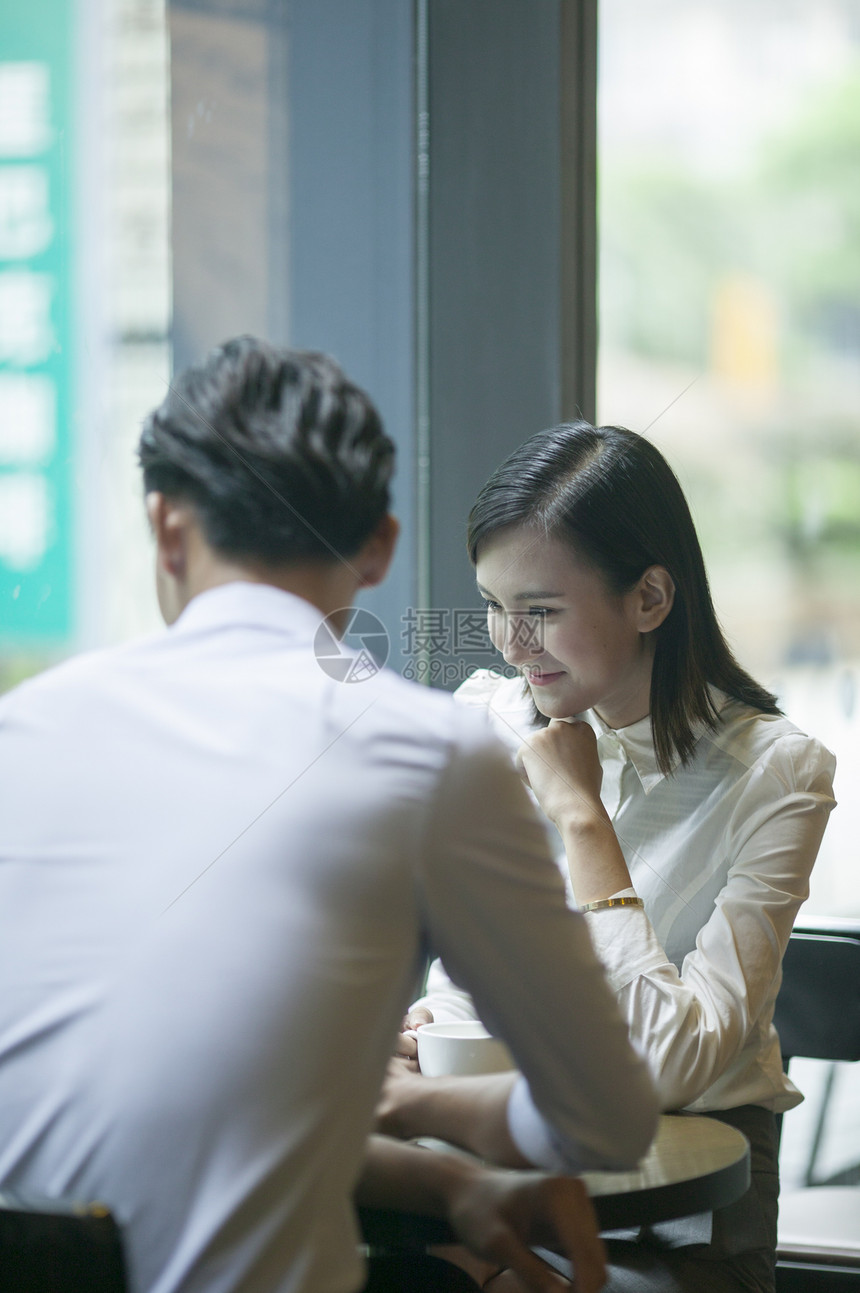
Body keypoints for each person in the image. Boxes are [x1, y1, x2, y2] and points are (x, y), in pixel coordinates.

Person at [0, 345, 659, 1293]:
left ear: (167, 529)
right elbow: (608, 1117)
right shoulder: (431, 752)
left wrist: (428, 1176)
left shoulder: (27, 728)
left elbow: (160, 1111)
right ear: (382, 546)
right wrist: (456, 1117)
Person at [403, 420, 837, 1293]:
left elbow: (677, 1064)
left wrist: (582, 817)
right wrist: (431, 1026)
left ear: (649, 598)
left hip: (692, 1202)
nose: (508, 643)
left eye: (541, 612)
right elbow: (466, 962)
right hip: (505, 1148)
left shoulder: (778, 771)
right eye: (493, 605)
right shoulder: (487, 717)